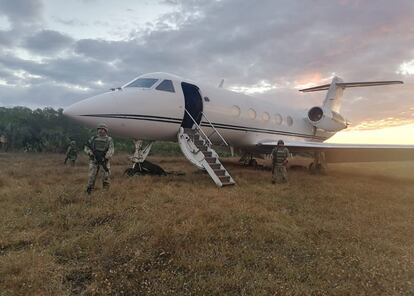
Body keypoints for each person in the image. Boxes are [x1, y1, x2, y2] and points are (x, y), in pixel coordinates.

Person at [84, 123, 114, 194]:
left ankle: (106, 192)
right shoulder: (93, 138)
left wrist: (106, 158)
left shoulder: (109, 139)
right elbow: (86, 147)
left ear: (106, 131)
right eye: (99, 129)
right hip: (94, 161)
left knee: (105, 177)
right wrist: (90, 154)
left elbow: (111, 149)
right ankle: (89, 192)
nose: (101, 131)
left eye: (103, 129)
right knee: (91, 176)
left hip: (104, 161)